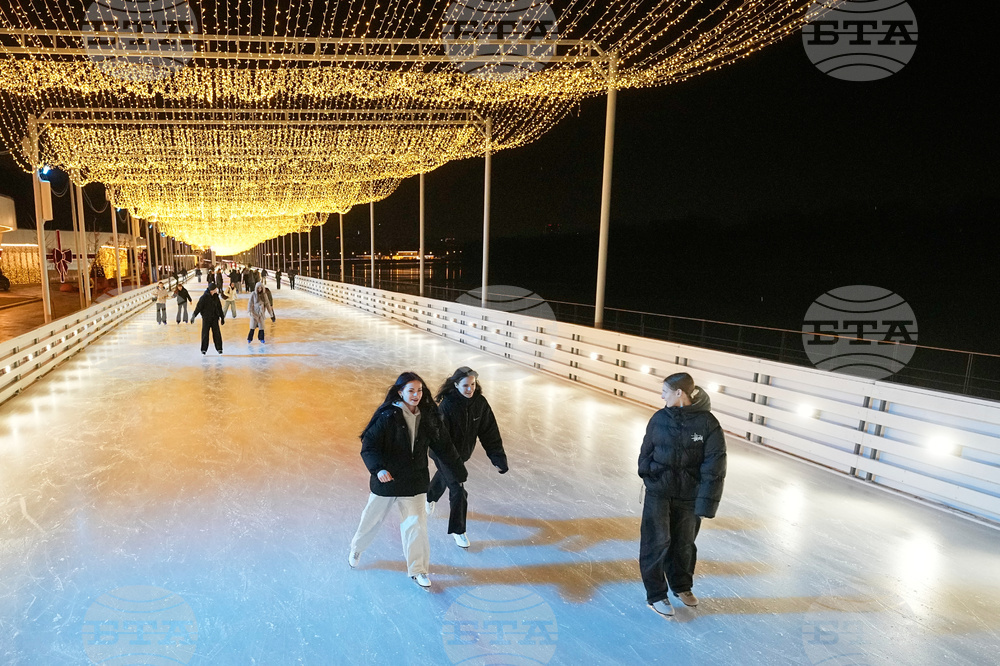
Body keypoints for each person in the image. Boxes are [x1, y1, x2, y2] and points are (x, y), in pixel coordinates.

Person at [349, 372, 468, 588]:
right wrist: (379, 469)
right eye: (411, 390)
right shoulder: (387, 416)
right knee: (371, 520)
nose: (416, 395)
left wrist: (458, 471)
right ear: (400, 392)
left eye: (419, 390)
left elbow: (444, 447)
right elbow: (369, 446)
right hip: (388, 482)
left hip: (414, 482)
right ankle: (357, 548)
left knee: (417, 527)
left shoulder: (428, 417)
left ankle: (418, 569)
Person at [637, 372, 727, 618]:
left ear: (679, 393)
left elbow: (715, 466)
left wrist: (706, 503)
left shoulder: (707, 423)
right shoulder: (659, 418)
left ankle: (681, 586)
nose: (662, 396)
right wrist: (650, 475)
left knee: (684, 543)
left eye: (665, 391)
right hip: (659, 492)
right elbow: (645, 453)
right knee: (656, 541)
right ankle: (656, 594)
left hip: (689, 495)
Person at [427, 367, 509, 549]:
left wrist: (497, 458)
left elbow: (489, 431)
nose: (470, 389)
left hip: (462, 454)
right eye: (465, 385)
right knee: (458, 490)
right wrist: (453, 464)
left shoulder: (479, 403)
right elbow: (440, 439)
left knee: (445, 477)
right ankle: (458, 530)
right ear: (456, 385)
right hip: (443, 454)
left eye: (472, 384)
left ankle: (429, 497)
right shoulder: (447, 406)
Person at [191, 282, 226, 355]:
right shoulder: (203, 298)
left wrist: (222, 317)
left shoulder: (216, 297)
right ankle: (204, 349)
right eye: (215, 289)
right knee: (205, 334)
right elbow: (198, 307)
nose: (216, 290)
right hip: (206, 319)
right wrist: (194, 316)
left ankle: (219, 348)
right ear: (212, 290)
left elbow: (219, 308)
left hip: (215, 318)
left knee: (217, 334)